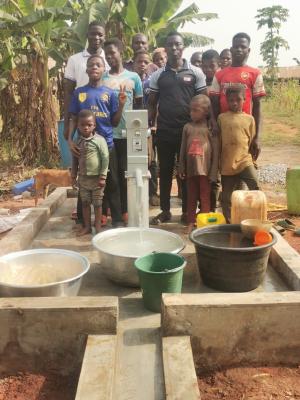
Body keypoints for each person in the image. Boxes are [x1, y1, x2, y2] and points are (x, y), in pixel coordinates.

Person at [148, 31, 207, 225]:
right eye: (170, 45)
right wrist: (151, 125)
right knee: (165, 172)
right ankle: (165, 211)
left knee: (188, 173)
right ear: (166, 48)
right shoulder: (158, 75)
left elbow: (204, 101)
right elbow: (152, 103)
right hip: (164, 131)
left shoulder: (196, 73)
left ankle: (186, 211)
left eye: (178, 44)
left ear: (183, 47)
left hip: (188, 133)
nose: (174, 48)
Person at [68, 55, 127, 228]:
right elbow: (72, 118)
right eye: (91, 65)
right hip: (84, 147)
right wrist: (70, 140)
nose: (94, 67)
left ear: (104, 70)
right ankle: (82, 220)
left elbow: (114, 122)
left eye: (98, 65)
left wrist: (122, 105)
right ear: (86, 70)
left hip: (107, 145)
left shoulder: (110, 93)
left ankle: (116, 219)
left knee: (112, 182)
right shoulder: (79, 92)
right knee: (84, 182)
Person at [102, 38, 143, 221]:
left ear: (121, 53)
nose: (110, 57)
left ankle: (127, 211)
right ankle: (116, 216)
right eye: (107, 54)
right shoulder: (103, 78)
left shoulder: (134, 78)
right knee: (112, 177)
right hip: (109, 135)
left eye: (113, 53)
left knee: (127, 175)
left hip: (129, 135)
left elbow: (140, 107)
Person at [210, 32, 266, 161]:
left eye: (243, 47)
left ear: (249, 50)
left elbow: (257, 106)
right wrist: (214, 123)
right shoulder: (219, 75)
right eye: (236, 47)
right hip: (223, 129)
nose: (239, 49)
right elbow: (213, 102)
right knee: (225, 165)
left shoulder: (255, 73)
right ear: (231, 49)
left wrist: (257, 137)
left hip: (245, 129)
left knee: (244, 164)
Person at [218, 85, 259, 222]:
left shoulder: (250, 119)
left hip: (245, 161)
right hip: (227, 163)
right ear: (226, 101)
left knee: (256, 187)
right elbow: (218, 142)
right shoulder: (221, 118)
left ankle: (257, 217)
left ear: (245, 100)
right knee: (226, 196)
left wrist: (253, 160)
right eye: (231, 100)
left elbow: (251, 141)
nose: (234, 103)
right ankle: (229, 222)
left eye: (238, 100)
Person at [179, 95, 218, 234]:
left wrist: (214, 172)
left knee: (205, 198)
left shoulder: (211, 128)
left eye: (195, 110)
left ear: (206, 111)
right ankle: (190, 222)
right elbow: (183, 148)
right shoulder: (187, 127)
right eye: (191, 110)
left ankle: (204, 224)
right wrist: (181, 166)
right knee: (191, 197)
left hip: (205, 171)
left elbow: (216, 152)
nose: (191, 113)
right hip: (190, 170)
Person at [64, 21, 109, 139]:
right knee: (83, 153)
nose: (96, 37)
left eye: (100, 35)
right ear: (87, 35)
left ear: (105, 37)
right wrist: (66, 123)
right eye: (93, 34)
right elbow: (68, 93)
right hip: (83, 121)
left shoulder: (109, 59)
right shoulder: (74, 60)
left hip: (105, 118)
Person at [71, 110, 109, 236]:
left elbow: (105, 158)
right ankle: (87, 227)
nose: (86, 127)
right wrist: (73, 175)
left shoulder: (100, 141)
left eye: (89, 124)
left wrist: (103, 176)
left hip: (97, 179)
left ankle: (98, 228)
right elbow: (74, 159)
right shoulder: (77, 142)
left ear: (94, 125)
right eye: (82, 125)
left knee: (98, 204)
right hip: (83, 179)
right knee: (85, 203)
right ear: (78, 126)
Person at [133, 49, 159, 206]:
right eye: (139, 62)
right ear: (134, 63)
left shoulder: (152, 82)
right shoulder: (129, 79)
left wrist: (154, 123)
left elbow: (156, 104)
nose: (142, 64)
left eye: (145, 62)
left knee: (151, 161)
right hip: (133, 127)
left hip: (150, 127)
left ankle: (152, 193)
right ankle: (136, 194)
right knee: (135, 161)